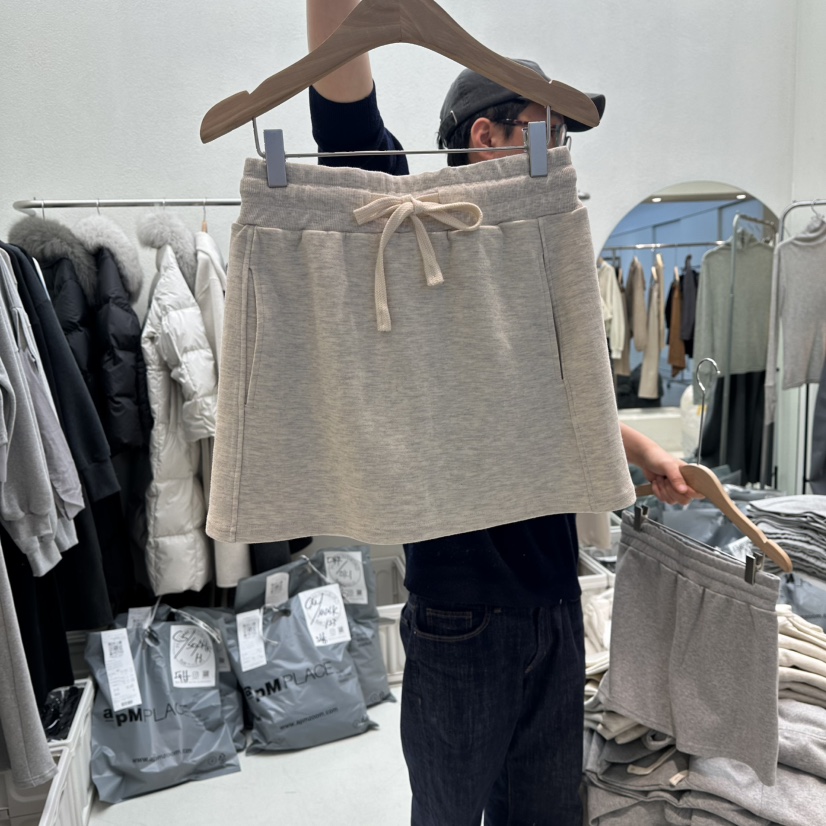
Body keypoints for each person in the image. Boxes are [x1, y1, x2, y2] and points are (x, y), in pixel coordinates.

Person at [306, 2, 701, 824]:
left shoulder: (539, 254)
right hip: (462, 608)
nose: (561, 152)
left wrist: (643, 451)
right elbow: (345, 113)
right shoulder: (414, 228)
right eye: (548, 130)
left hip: (554, 595)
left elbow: (553, 398)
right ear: (486, 135)